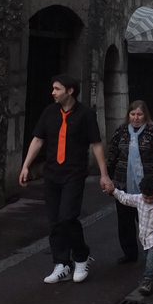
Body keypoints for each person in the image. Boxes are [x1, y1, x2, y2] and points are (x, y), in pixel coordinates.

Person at [20, 73, 110, 285]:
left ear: (70, 91)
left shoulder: (86, 114)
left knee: (68, 217)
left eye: (57, 89)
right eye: (53, 89)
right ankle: (62, 263)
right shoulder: (49, 112)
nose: (53, 93)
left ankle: (81, 257)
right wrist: (25, 165)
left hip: (74, 173)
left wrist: (104, 174)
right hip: (52, 174)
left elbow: (96, 144)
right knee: (54, 221)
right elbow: (38, 139)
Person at [106, 101, 153, 264]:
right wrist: (106, 176)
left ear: (145, 115)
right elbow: (112, 154)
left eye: (139, 114)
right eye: (132, 114)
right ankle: (129, 253)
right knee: (125, 222)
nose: (136, 118)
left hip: (148, 185)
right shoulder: (121, 131)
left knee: (149, 221)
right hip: (123, 184)